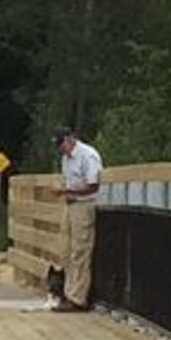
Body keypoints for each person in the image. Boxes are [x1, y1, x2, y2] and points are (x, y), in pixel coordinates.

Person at [52, 126, 104, 310]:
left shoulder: (88, 155)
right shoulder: (66, 159)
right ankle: (66, 293)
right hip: (70, 205)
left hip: (83, 205)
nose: (60, 149)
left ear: (70, 139)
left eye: (61, 144)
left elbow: (93, 186)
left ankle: (77, 298)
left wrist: (66, 190)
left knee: (80, 252)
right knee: (65, 250)